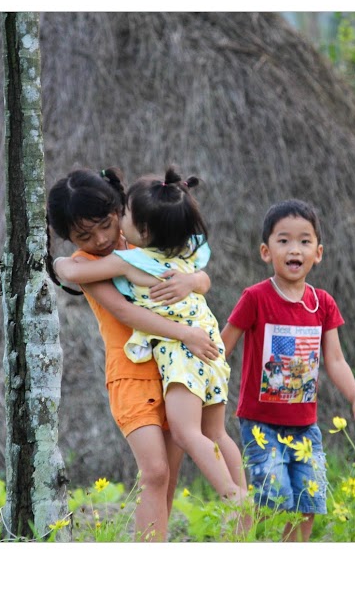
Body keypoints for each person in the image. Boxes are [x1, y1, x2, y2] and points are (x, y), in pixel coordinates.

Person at [54, 166, 249, 514]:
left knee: (168, 477)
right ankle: (233, 499)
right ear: (69, 237)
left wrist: (193, 282)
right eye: (84, 235)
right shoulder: (90, 263)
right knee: (155, 472)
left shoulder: (142, 236)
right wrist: (185, 333)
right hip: (133, 370)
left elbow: (199, 275)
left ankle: (239, 515)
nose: (101, 239)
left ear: (119, 210)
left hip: (171, 364)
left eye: (106, 224)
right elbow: (125, 312)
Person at [220, 198, 355, 542]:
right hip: (260, 425)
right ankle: (237, 539)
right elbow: (222, 347)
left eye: (304, 241)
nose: (294, 249)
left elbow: (335, 360)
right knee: (272, 497)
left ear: (318, 253)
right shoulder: (256, 298)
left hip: (305, 426)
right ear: (266, 251)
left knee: (308, 500)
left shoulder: (322, 304)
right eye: (284, 240)